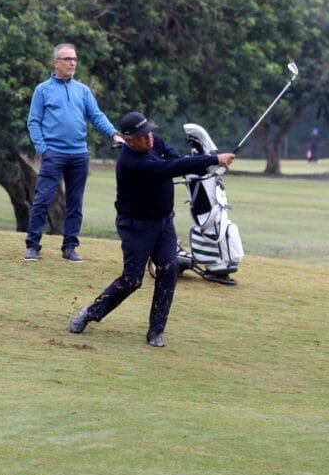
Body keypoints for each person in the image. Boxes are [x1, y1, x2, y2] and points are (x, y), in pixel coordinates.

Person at [68, 111, 235, 348]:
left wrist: (200, 170)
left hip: (164, 222)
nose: (149, 138)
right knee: (131, 280)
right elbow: (170, 166)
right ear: (128, 139)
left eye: (149, 132)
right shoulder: (133, 163)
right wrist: (212, 160)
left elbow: (173, 157)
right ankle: (90, 313)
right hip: (137, 226)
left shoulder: (151, 143)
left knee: (169, 270)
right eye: (142, 135)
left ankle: (155, 332)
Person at [24, 43, 123, 263]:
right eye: (67, 59)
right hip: (53, 154)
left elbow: (96, 116)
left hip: (79, 155)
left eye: (75, 59)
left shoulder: (83, 90)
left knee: (75, 203)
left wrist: (114, 134)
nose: (72, 63)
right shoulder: (43, 90)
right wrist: (43, 149)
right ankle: (33, 245)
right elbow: (33, 121)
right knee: (43, 200)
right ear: (56, 62)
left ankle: (69, 247)